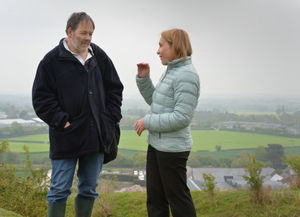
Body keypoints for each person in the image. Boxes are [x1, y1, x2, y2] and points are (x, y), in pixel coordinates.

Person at [32, 12, 123, 217]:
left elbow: (115, 89)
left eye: (91, 33)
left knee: (89, 188)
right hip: (67, 136)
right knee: (59, 190)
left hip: (96, 135)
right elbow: (41, 98)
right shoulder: (51, 61)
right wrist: (62, 121)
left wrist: (110, 118)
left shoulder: (99, 56)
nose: (88, 38)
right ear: (70, 32)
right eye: (84, 33)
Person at [135, 28, 200, 217]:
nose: (158, 51)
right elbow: (157, 103)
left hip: (172, 150)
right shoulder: (171, 71)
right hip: (157, 144)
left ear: (175, 46)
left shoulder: (186, 75)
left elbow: (182, 117)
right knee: (155, 200)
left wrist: (148, 121)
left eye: (161, 45)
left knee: (178, 201)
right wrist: (144, 79)